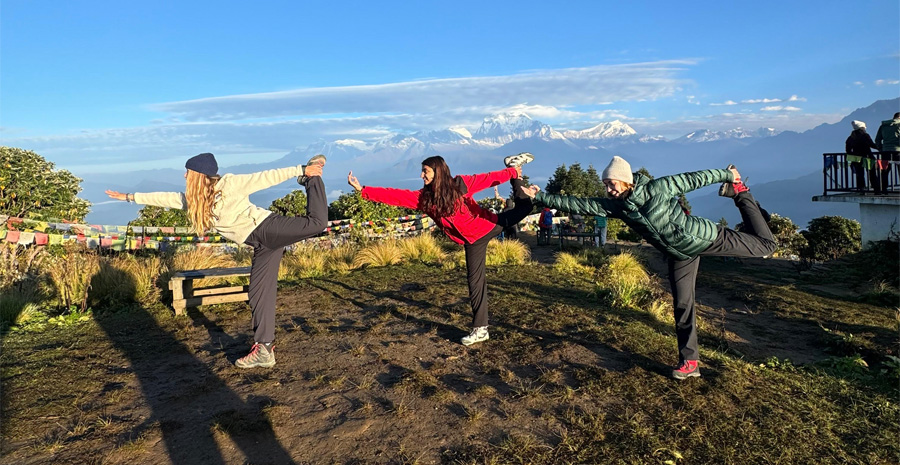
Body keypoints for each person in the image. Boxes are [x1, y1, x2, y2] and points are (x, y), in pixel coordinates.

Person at [521, 155, 776, 380]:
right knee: (682, 305)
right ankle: (690, 362)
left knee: (766, 246)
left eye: (612, 184)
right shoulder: (619, 206)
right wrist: (540, 196)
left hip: (704, 237)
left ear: (626, 181)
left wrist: (727, 175)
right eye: (606, 185)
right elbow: (581, 204)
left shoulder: (659, 188)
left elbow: (694, 178)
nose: (608, 189)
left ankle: (741, 192)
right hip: (679, 254)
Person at [105, 152, 328, 369]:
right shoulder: (196, 201)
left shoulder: (230, 185)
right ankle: (264, 350)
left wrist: (301, 170)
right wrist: (129, 197)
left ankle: (312, 179)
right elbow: (166, 198)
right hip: (260, 244)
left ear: (199, 175)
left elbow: (264, 177)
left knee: (317, 223)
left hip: (268, 228)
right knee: (258, 293)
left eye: (188, 172)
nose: (184, 176)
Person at [347, 153, 535, 346]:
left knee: (525, 207)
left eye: (425, 171)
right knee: (475, 280)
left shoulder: (460, 185)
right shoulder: (425, 198)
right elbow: (397, 196)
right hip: (473, 242)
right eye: (422, 171)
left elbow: (487, 178)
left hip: (487, 225)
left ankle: (517, 173)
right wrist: (363, 190)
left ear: (438, 172)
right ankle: (481, 329)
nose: (422, 175)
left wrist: (511, 172)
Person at [845, 120, 878, 193]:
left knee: (859, 174)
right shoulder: (865, 135)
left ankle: (861, 189)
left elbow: (848, 149)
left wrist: (853, 154)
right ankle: (876, 188)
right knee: (872, 173)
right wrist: (880, 147)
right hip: (868, 157)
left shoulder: (851, 137)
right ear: (862, 128)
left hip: (856, 158)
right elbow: (871, 145)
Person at [874, 112, 900, 194]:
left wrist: (880, 149)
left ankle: (883, 189)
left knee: (885, 170)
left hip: (885, 151)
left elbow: (877, 139)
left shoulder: (883, 126)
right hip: (898, 150)